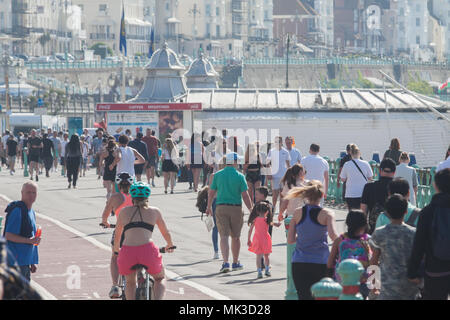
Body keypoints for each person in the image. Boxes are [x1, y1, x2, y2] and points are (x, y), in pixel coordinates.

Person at [114, 182, 175, 300]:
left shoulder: (123, 212)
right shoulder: (154, 211)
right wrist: (170, 245)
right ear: (147, 197)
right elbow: (166, 232)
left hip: (127, 251)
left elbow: (117, 236)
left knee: (130, 282)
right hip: (147, 250)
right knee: (160, 278)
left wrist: (117, 250)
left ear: (132, 197)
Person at [286, 180, 338, 300]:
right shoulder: (327, 214)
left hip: (299, 262)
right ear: (322, 195)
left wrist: (305, 236)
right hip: (320, 262)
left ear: (306, 195)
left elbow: (290, 240)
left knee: (303, 297)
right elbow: (334, 236)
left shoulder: (297, 212)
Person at [206, 152, 253, 273]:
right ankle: (235, 262)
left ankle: (225, 262)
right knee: (236, 237)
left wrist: (209, 206)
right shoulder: (239, 176)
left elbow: (211, 192)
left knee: (224, 236)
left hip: (221, 207)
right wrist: (251, 209)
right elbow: (245, 195)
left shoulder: (217, 175)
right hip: (236, 208)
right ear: (235, 162)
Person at [408, 168, 450, 300]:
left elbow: (419, 243)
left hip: (435, 269)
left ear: (435, 185)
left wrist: (412, 271)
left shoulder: (428, 211)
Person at [369, 194, 419, 300]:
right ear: (406, 211)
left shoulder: (379, 233)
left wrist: (374, 284)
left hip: (387, 286)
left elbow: (374, 260)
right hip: (409, 286)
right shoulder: (413, 233)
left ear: (387, 212)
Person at [101, 172, 134, 298]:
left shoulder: (115, 197)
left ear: (118, 185)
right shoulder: (137, 196)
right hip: (135, 231)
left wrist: (106, 223)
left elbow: (105, 216)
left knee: (115, 256)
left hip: (120, 231)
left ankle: (115, 285)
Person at [327, 210, 371, 299]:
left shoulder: (340, 240)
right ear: (365, 224)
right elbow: (373, 262)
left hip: (342, 281)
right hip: (363, 282)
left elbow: (329, 264)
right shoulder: (368, 240)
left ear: (347, 223)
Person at [3, 182, 41, 282]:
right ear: (22, 193)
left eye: (34, 193)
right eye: (28, 192)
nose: (31, 195)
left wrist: (32, 261)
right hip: (15, 263)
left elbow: (32, 238)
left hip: (25, 262)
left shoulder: (31, 212)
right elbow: (8, 235)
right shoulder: (18, 211)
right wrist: (29, 241)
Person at [361, 158, 397, 234]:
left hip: (374, 231)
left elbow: (363, 211)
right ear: (394, 173)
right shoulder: (398, 187)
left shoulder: (368, 187)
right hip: (393, 232)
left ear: (380, 171)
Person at [339, 144, 373, 210]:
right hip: (363, 193)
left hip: (350, 193)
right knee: (363, 214)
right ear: (359, 154)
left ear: (351, 154)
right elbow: (370, 177)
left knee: (352, 214)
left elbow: (343, 179)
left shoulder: (347, 164)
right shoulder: (366, 163)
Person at [247, 202, 275, 279]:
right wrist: (277, 224)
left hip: (257, 239)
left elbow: (250, 230)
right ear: (267, 211)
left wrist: (249, 239)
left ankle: (259, 271)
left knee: (258, 256)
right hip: (266, 239)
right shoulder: (267, 220)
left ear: (257, 211)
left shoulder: (255, 219)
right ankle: (267, 270)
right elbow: (273, 223)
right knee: (267, 256)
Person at [266, 136, 291, 213]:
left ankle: (281, 211)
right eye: (276, 142)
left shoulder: (286, 152)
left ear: (281, 142)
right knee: (275, 195)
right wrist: (269, 174)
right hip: (275, 176)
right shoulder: (271, 151)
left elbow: (288, 165)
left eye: (279, 142)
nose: (277, 143)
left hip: (283, 176)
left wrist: (289, 176)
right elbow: (267, 164)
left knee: (282, 195)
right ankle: (273, 209)